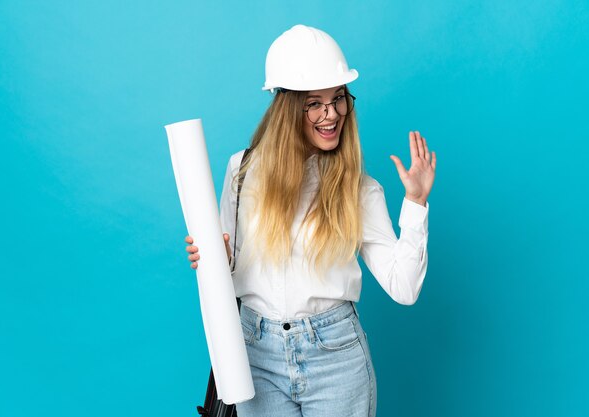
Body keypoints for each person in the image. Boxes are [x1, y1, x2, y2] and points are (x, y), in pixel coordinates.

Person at [184, 24, 436, 417]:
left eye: (338, 99)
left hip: (334, 355)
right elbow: (230, 274)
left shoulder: (358, 188)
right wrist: (212, 259)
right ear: (287, 108)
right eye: (314, 103)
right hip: (255, 352)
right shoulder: (243, 171)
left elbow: (403, 288)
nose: (331, 114)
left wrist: (416, 203)